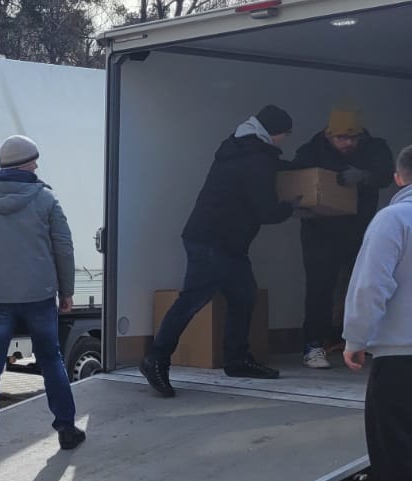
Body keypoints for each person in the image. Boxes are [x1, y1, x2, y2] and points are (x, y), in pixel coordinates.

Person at [139, 106, 296, 397]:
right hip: (214, 240)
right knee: (193, 299)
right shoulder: (255, 159)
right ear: (274, 133)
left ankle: (237, 359)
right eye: (285, 135)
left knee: (244, 295)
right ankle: (156, 358)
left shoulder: (240, 147)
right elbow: (266, 210)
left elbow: (271, 170)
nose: (284, 141)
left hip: (221, 240)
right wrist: (294, 207)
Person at [0, 135, 84, 461]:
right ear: (23, 164)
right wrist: (67, 291)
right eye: (33, 160)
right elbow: (63, 248)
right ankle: (66, 429)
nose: (37, 165)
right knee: (51, 359)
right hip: (38, 295)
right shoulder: (45, 200)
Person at [342, 143, 412, 481]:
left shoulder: (394, 219)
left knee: (397, 446)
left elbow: (372, 285)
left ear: (398, 177)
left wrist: (356, 339)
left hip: (402, 354)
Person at [292, 107, 395, 369]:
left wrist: (365, 176)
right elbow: (294, 181)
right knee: (320, 288)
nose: (348, 143)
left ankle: (359, 340)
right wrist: (301, 206)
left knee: (363, 286)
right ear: (328, 135)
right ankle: (314, 345)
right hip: (320, 232)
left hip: (360, 229)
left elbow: (387, 175)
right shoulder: (310, 152)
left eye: (354, 138)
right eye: (341, 138)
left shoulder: (374, 148)